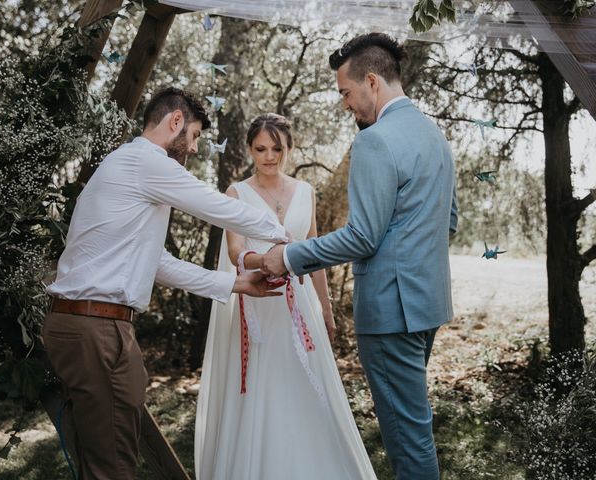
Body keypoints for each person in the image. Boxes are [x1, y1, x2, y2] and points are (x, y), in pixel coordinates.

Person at [43, 87, 289, 480]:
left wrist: (233, 285)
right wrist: (287, 240)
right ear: (175, 121)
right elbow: (217, 207)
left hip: (99, 324)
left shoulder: (130, 168)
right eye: (193, 136)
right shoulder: (146, 161)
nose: (192, 148)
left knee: (113, 444)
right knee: (112, 462)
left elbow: (158, 262)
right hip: (94, 326)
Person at [262, 33, 458, 480]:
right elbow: (448, 221)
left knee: (409, 442)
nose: (346, 104)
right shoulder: (435, 136)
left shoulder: (375, 140)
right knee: (414, 426)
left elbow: (363, 237)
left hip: (390, 315)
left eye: (346, 93)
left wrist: (289, 257)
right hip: (427, 307)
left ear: (371, 81)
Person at [195, 113, 377, 480]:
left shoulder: (306, 192)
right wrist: (264, 262)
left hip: (301, 308)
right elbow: (235, 252)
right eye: (261, 148)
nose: (269, 156)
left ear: (289, 149)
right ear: (249, 149)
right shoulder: (237, 193)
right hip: (258, 308)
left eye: (277, 148)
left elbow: (315, 257)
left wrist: (325, 308)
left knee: (309, 389)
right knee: (263, 391)